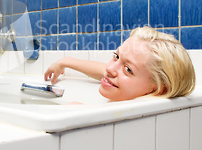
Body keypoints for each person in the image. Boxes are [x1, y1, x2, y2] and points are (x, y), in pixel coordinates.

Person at [44, 26, 196, 102]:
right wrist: (67, 61)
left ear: (158, 89)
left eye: (128, 69)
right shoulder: (138, 87)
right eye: (116, 56)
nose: (109, 68)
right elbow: (106, 71)